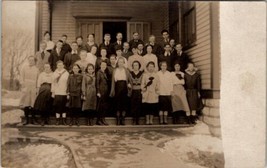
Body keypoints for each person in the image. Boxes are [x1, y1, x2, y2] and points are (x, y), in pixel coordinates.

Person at [110, 57, 132, 125]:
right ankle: (118, 119)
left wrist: (129, 85)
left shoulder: (126, 70)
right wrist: (112, 90)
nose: (120, 63)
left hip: (124, 87)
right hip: (117, 87)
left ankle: (123, 119)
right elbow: (113, 81)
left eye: (122, 62)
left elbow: (129, 80)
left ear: (124, 63)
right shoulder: (115, 70)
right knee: (117, 103)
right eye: (119, 62)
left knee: (124, 103)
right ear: (117, 63)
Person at [20, 56, 39, 125]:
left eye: (32, 60)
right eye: (30, 60)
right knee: (26, 103)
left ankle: (33, 119)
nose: (31, 62)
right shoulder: (24, 68)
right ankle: (26, 119)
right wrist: (23, 85)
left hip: (33, 86)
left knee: (33, 103)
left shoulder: (36, 69)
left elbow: (38, 79)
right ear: (28, 61)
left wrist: (37, 88)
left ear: (34, 62)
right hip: (26, 86)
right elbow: (21, 77)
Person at [51, 61, 69, 125]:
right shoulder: (54, 73)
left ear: (63, 66)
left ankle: (64, 120)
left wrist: (67, 93)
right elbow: (53, 83)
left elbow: (68, 84)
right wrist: (53, 92)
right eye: (58, 65)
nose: (60, 66)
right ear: (57, 66)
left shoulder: (66, 73)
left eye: (61, 65)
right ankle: (57, 120)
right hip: (57, 92)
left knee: (64, 107)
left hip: (64, 92)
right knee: (57, 106)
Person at [130, 61, 144, 125]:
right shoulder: (130, 73)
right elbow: (129, 81)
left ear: (139, 66)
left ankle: (137, 119)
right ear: (132, 66)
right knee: (133, 105)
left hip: (139, 90)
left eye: (137, 65)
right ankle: (134, 119)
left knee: (138, 105)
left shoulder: (142, 73)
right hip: (133, 90)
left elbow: (143, 82)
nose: (136, 66)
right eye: (134, 65)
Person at [96, 61, 110, 125]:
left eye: (105, 65)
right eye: (102, 65)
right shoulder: (99, 73)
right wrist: (98, 91)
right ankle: (98, 120)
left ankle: (103, 119)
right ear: (100, 65)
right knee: (100, 106)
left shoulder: (105, 73)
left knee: (104, 106)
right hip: (101, 92)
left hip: (105, 92)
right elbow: (97, 83)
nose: (103, 66)